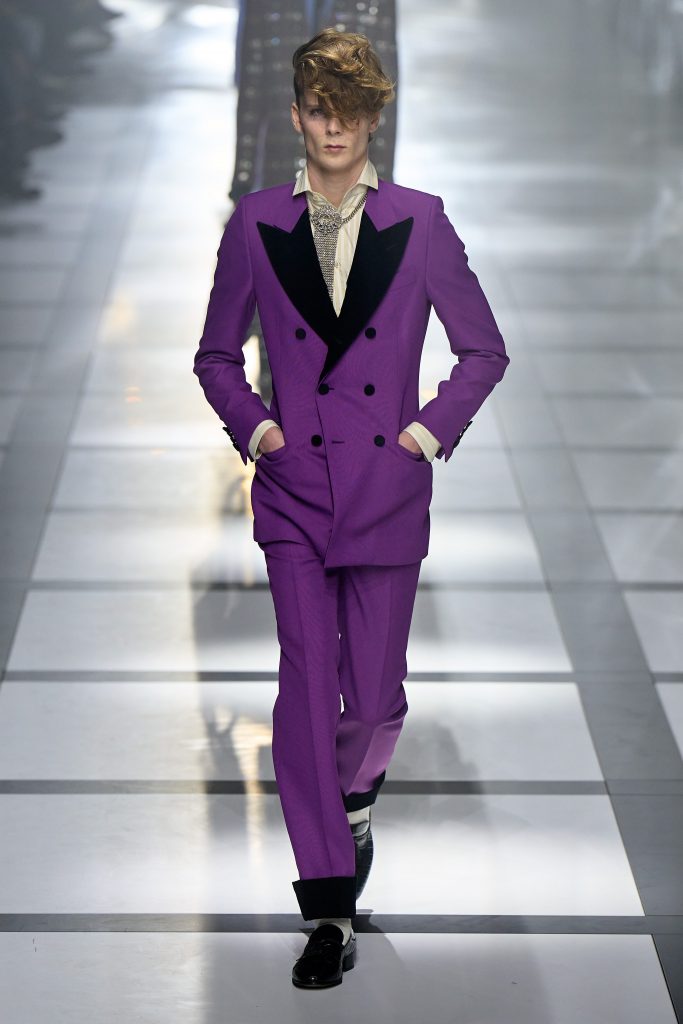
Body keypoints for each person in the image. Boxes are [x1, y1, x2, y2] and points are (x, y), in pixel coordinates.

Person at [193, 27, 510, 989]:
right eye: (318, 110)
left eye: (350, 111)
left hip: (384, 490)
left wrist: (424, 433)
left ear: (374, 119)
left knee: (372, 700)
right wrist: (259, 431)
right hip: (294, 491)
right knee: (304, 688)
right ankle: (327, 908)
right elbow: (216, 355)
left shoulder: (421, 222)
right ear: (296, 117)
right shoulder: (256, 223)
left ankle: (356, 795)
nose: (333, 128)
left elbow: (483, 348)